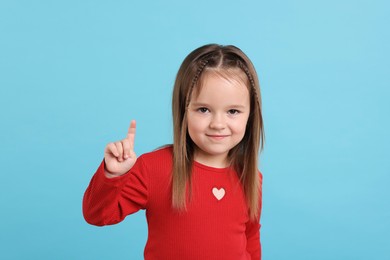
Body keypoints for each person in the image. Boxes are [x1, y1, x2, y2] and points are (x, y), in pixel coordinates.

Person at [83, 44, 265, 259]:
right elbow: (97, 215)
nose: (218, 123)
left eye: (233, 111)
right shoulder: (154, 168)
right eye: (203, 109)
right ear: (183, 110)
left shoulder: (250, 176)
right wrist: (112, 175)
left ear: (251, 115)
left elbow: (251, 238)